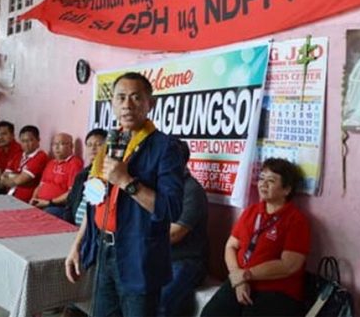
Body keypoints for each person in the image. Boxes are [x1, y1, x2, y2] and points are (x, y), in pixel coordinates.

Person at [65, 72, 184, 317]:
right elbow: (95, 201)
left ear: (151, 104)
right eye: (120, 98)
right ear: (112, 105)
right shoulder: (111, 143)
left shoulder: (165, 147)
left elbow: (172, 209)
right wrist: (77, 245)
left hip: (140, 258)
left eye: (136, 98)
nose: (127, 105)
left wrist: (127, 182)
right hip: (103, 249)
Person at [201, 158, 311, 317]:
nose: (263, 184)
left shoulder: (296, 220)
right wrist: (238, 277)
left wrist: (247, 274)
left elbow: (290, 265)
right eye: (261, 178)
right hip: (240, 280)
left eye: (271, 180)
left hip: (276, 291)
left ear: (286, 189)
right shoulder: (251, 211)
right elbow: (231, 246)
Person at [158, 139, 209, 317]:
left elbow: (175, 234)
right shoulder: (157, 186)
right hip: (157, 257)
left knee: (162, 302)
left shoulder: (191, 190)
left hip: (184, 260)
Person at [30, 133, 84, 218]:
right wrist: (33, 200)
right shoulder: (51, 163)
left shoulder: (75, 164)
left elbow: (71, 193)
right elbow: (40, 185)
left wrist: (49, 202)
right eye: (54, 144)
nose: (57, 147)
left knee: (44, 215)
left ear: (71, 146)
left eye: (61, 144)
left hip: (58, 206)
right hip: (41, 202)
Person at [63, 128, 107, 226]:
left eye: (99, 145)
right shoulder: (82, 175)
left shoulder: (109, 176)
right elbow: (70, 204)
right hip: (73, 227)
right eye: (89, 145)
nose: (93, 149)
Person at [0, 125, 49, 203]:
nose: (26, 144)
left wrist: (13, 177)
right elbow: (3, 178)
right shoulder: (18, 155)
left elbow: (19, 181)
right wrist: (17, 177)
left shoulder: (40, 156)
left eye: (29, 140)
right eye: (23, 141)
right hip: (10, 196)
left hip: (25, 201)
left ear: (38, 140)